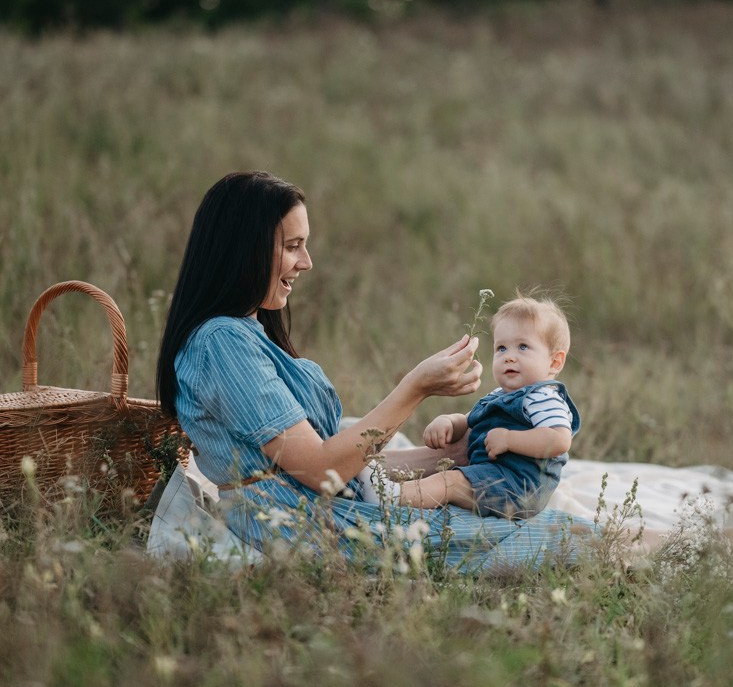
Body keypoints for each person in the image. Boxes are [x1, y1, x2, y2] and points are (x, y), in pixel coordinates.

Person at [155, 171, 596, 570]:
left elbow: (339, 461)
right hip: (299, 522)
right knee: (556, 536)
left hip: (318, 502)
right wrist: (414, 389)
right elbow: (319, 471)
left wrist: (458, 456)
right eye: (292, 247)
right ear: (244, 250)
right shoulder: (220, 343)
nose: (306, 262)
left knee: (532, 518)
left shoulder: (246, 333)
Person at [397, 295, 580, 518]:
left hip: (518, 488)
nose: (509, 357)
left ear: (554, 362)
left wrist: (510, 439)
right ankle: (392, 488)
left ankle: (389, 497)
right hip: (491, 476)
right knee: (448, 477)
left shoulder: (543, 397)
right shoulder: (499, 395)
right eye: (501, 348)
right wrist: (448, 422)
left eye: (523, 347)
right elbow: (470, 421)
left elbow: (560, 439)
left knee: (449, 482)